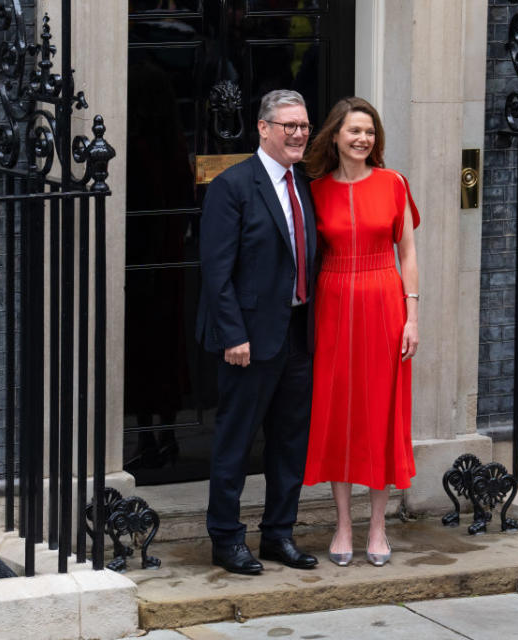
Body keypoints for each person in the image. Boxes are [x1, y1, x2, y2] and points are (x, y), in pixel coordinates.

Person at [196, 89, 319, 575]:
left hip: (297, 334)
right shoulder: (233, 185)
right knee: (236, 441)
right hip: (248, 339)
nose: (298, 134)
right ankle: (226, 538)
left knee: (290, 442)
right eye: (288, 125)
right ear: (263, 128)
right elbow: (215, 270)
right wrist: (233, 335)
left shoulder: (304, 182)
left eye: (304, 126)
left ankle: (278, 534)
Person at [302, 97, 420, 567]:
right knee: (338, 411)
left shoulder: (394, 183)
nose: (362, 139)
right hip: (333, 302)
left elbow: (408, 253)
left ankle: (377, 525)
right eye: (353, 130)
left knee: (379, 412)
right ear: (335, 135)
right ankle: (343, 524)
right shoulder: (315, 191)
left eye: (369, 131)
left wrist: (412, 315)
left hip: (384, 300)